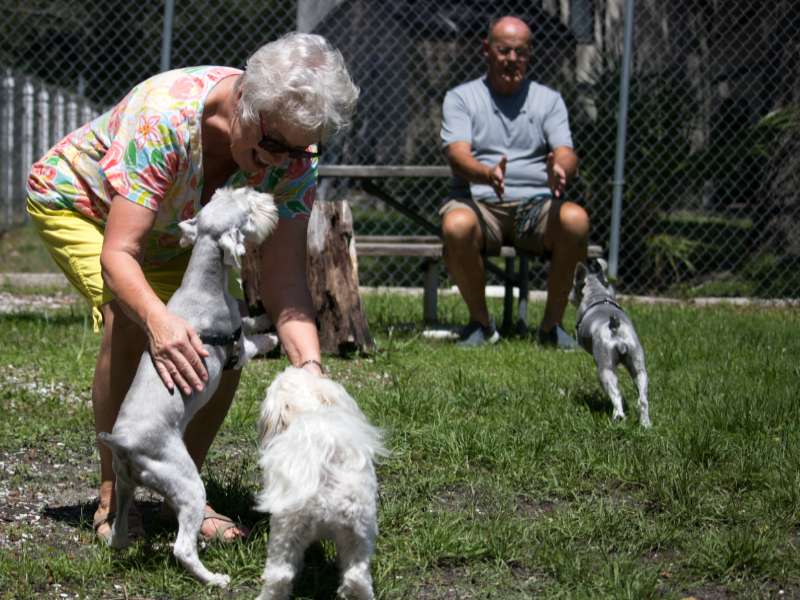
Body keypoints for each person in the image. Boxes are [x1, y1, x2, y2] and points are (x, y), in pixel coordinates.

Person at [26, 33, 359, 544]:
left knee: (223, 333)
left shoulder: (291, 150)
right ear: (245, 98)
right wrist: (159, 322)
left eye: (298, 150)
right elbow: (118, 257)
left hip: (169, 229)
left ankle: (183, 495)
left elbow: (284, 276)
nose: (280, 163)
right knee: (129, 316)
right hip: (83, 207)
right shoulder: (164, 117)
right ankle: (115, 496)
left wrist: (310, 373)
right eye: (273, 146)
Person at [440, 16, 589, 348]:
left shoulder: (548, 100)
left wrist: (561, 169)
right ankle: (481, 323)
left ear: (530, 53)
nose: (512, 59)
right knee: (455, 225)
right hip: (479, 205)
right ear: (487, 51)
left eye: (520, 52)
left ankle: (551, 328)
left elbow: (566, 152)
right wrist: (486, 174)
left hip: (535, 207)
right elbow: (457, 154)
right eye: (503, 50)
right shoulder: (462, 97)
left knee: (576, 220)